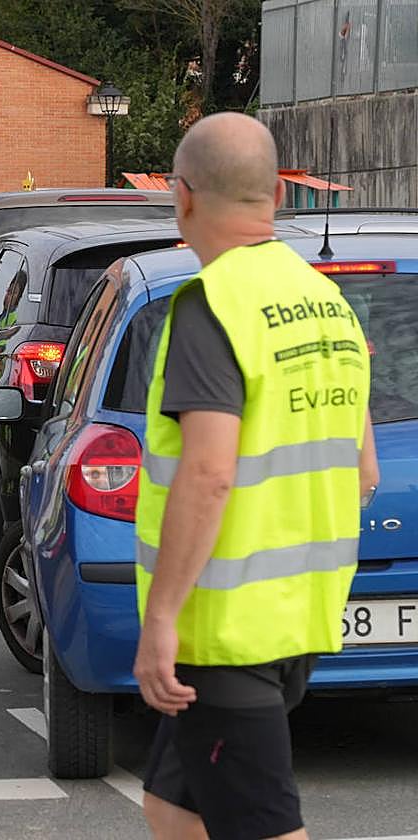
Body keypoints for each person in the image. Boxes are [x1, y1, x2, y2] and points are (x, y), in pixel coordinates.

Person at [133, 113, 379, 840]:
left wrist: (163, 619)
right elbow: (362, 464)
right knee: (173, 805)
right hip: (297, 615)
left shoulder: (215, 305)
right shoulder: (325, 302)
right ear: (276, 191)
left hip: (226, 629)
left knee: (264, 828)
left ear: (181, 197)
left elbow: (208, 473)